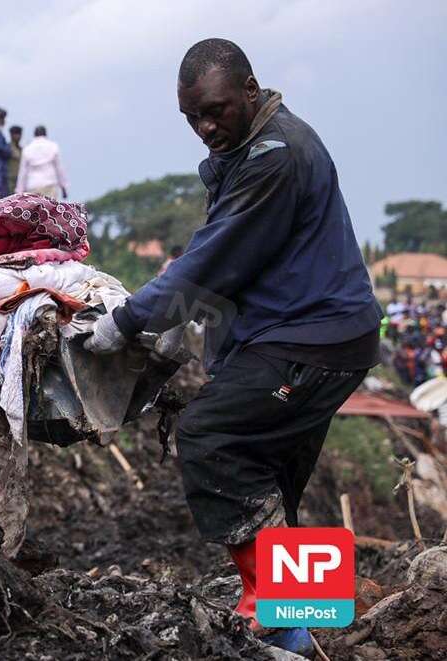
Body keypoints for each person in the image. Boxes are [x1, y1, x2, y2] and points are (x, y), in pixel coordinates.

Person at [83, 39, 381, 657]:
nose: (205, 127)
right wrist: (180, 308)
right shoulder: (254, 148)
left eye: (216, 110)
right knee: (273, 479)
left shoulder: (276, 157)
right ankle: (299, 634)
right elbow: (233, 258)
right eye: (192, 117)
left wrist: (131, 319)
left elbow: (218, 260)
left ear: (251, 89)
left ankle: (271, 617)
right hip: (320, 334)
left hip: (311, 339)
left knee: (210, 438)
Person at [15, 125, 68, 198]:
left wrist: (19, 191)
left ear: (34, 135)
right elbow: (59, 168)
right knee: (49, 209)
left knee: (35, 209)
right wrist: (63, 187)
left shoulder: (27, 149)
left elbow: (23, 171)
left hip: (32, 186)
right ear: (46, 134)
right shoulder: (53, 146)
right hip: (49, 185)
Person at [6, 125, 22, 195]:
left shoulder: (21, 149)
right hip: (10, 180)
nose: (18, 136)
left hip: (20, 180)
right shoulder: (7, 148)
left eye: (19, 134)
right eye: (15, 134)